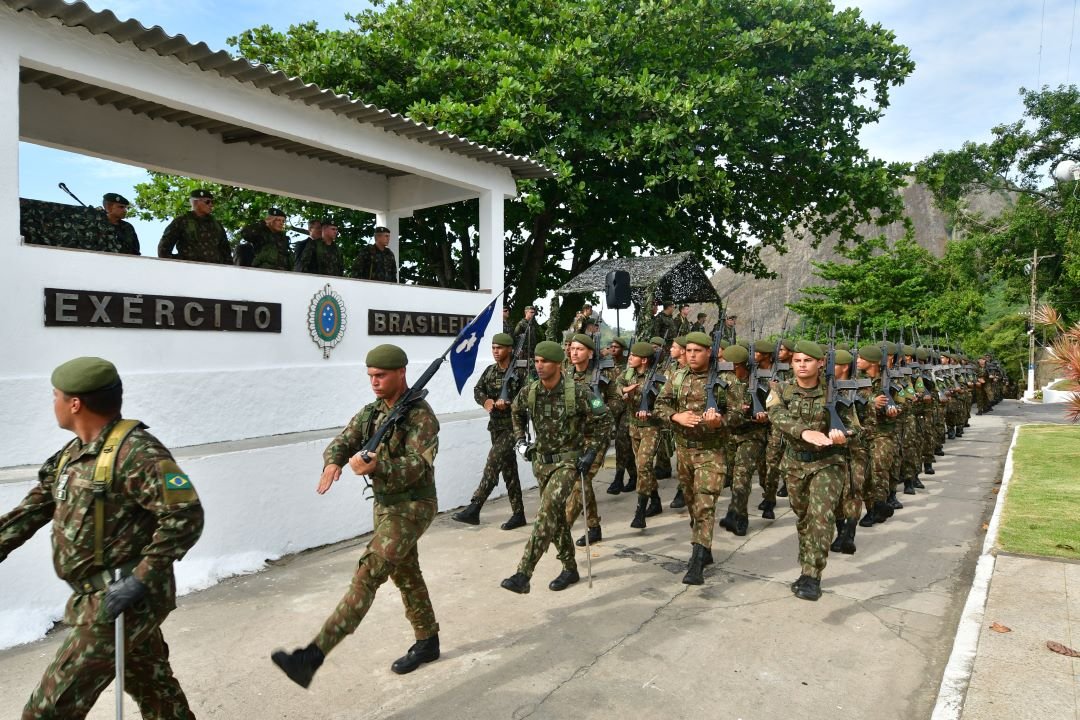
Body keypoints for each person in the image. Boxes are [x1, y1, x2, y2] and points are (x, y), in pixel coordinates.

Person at [0, 357, 204, 718]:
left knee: (49, 708)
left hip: (122, 599)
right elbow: (30, 511)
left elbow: (185, 515)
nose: (54, 404)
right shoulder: (72, 455)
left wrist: (139, 580)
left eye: (56, 396)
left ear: (74, 403)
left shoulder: (137, 452)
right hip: (98, 597)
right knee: (155, 689)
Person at [271, 344, 441, 686]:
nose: (374, 382)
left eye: (381, 376)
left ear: (401, 373)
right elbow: (343, 440)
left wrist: (378, 466)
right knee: (406, 574)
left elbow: (415, 466)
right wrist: (333, 462)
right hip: (385, 506)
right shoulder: (372, 413)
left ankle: (311, 657)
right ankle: (428, 641)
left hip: (413, 506)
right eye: (370, 377)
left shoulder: (422, 417)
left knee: (369, 572)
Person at [500, 341, 610, 594]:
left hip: (569, 462)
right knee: (556, 518)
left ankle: (523, 573)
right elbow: (515, 412)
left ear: (558, 364)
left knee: (546, 511)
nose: (539, 366)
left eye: (545, 361)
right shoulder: (531, 391)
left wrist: (591, 452)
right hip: (542, 463)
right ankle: (570, 568)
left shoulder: (579, 392)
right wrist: (520, 441)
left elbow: (604, 420)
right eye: (536, 361)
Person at [766, 341, 851, 601]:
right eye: (797, 360)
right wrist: (804, 432)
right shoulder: (781, 389)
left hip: (828, 463)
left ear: (820, 363)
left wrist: (842, 436)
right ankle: (806, 566)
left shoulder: (836, 393)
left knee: (820, 516)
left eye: (808, 360)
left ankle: (812, 575)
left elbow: (856, 427)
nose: (802, 365)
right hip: (794, 464)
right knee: (803, 517)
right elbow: (776, 416)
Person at [654, 331, 733, 585]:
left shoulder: (726, 378)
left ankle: (697, 560)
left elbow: (741, 415)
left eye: (697, 351)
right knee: (691, 502)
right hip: (684, 452)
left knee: (704, 503)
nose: (692, 355)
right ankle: (704, 544)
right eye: (688, 351)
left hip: (711, 451)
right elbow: (659, 405)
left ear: (709, 352)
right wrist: (676, 417)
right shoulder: (676, 377)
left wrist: (720, 421)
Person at [452, 333, 527, 530]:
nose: (495, 351)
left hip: (513, 427)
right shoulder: (490, 371)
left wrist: (509, 403)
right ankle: (518, 514)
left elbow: (528, 396)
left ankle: (475, 506)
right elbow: (478, 390)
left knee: (493, 462)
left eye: (499, 348)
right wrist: (486, 401)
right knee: (509, 470)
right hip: (495, 427)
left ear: (510, 349)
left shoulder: (521, 372)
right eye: (493, 348)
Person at [565, 334, 617, 546]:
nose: (574, 352)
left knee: (580, 482)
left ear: (590, 353)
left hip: (596, 436)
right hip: (573, 437)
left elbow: (617, 400)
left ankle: (561, 527)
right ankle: (594, 527)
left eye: (579, 349)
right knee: (582, 483)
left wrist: (602, 410)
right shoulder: (566, 375)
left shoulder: (603, 374)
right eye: (572, 349)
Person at [619, 341, 665, 528]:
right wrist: (624, 392)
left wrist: (651, 413)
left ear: (644, 360)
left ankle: (640, 511)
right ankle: (655, 500)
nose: (629, 357)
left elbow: (665, 403)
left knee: (644, 465)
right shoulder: (628, 373)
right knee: (642, 468)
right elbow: (617, 385)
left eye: (634, 355)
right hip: (633, 427)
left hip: (651, 428)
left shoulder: (658, 378)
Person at [157, 188, 231, 264]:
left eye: (212, 202)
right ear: (195, 202)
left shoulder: (217, 225)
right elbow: (163, 249)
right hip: (189, 271)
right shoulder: (182, 221)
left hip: (215, 271)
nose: (211, 204)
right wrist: (179, 265)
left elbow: (226, 252)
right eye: (207, 202)